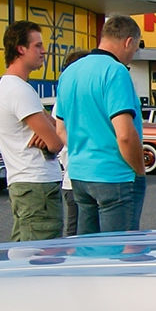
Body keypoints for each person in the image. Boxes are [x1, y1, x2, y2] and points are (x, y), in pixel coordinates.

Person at [54, 15, 145, 234]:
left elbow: (60, 129)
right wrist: (139, 169)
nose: (133, 54)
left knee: (89, 251)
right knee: (119, 252)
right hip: (115, 175)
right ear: (128, 41)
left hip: (80, 175)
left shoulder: (70, 73)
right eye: (136, 47)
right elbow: (124, 133)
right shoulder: (116, 71)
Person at [0, 20, 65, 241]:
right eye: (37, 46)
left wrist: (49, 132)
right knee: (41, 257)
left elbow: (53, 127)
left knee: (26, 252)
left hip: (29, 185)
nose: (43, 51)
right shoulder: (19, 90)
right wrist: (50, 136)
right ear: (20, 48)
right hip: (36, 186)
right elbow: (56, 142)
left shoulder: (15, 88)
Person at [56, 49, 90, 235]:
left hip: (79, 178)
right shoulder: (66, 101)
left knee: (80, 230)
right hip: (74, 178)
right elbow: (59, 133)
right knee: (76, 230)